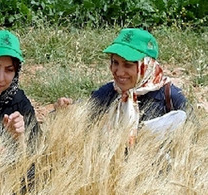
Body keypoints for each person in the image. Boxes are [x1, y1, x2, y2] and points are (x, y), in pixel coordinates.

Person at [55, 28, 187, 144]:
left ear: (146, 67)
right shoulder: (110, 92)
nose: (118, 72)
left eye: (128, 65)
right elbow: (85, 109)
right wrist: (67, 109)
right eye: (115, 62)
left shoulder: (170, 96)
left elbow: (194, 137)